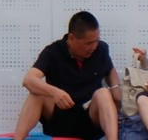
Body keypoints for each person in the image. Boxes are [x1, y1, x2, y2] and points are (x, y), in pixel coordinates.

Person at [12, 11, 119, 140]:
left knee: (103, 94)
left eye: (96, 41)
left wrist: (117, 92)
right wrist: (54, 92)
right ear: (71, 38)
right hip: (60, 117)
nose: (94, 47)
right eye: (88, 43)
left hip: (89, 118)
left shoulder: (101, 49)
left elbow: (110, 71)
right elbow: (28, 80)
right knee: (36, 94)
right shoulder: (53, 52)